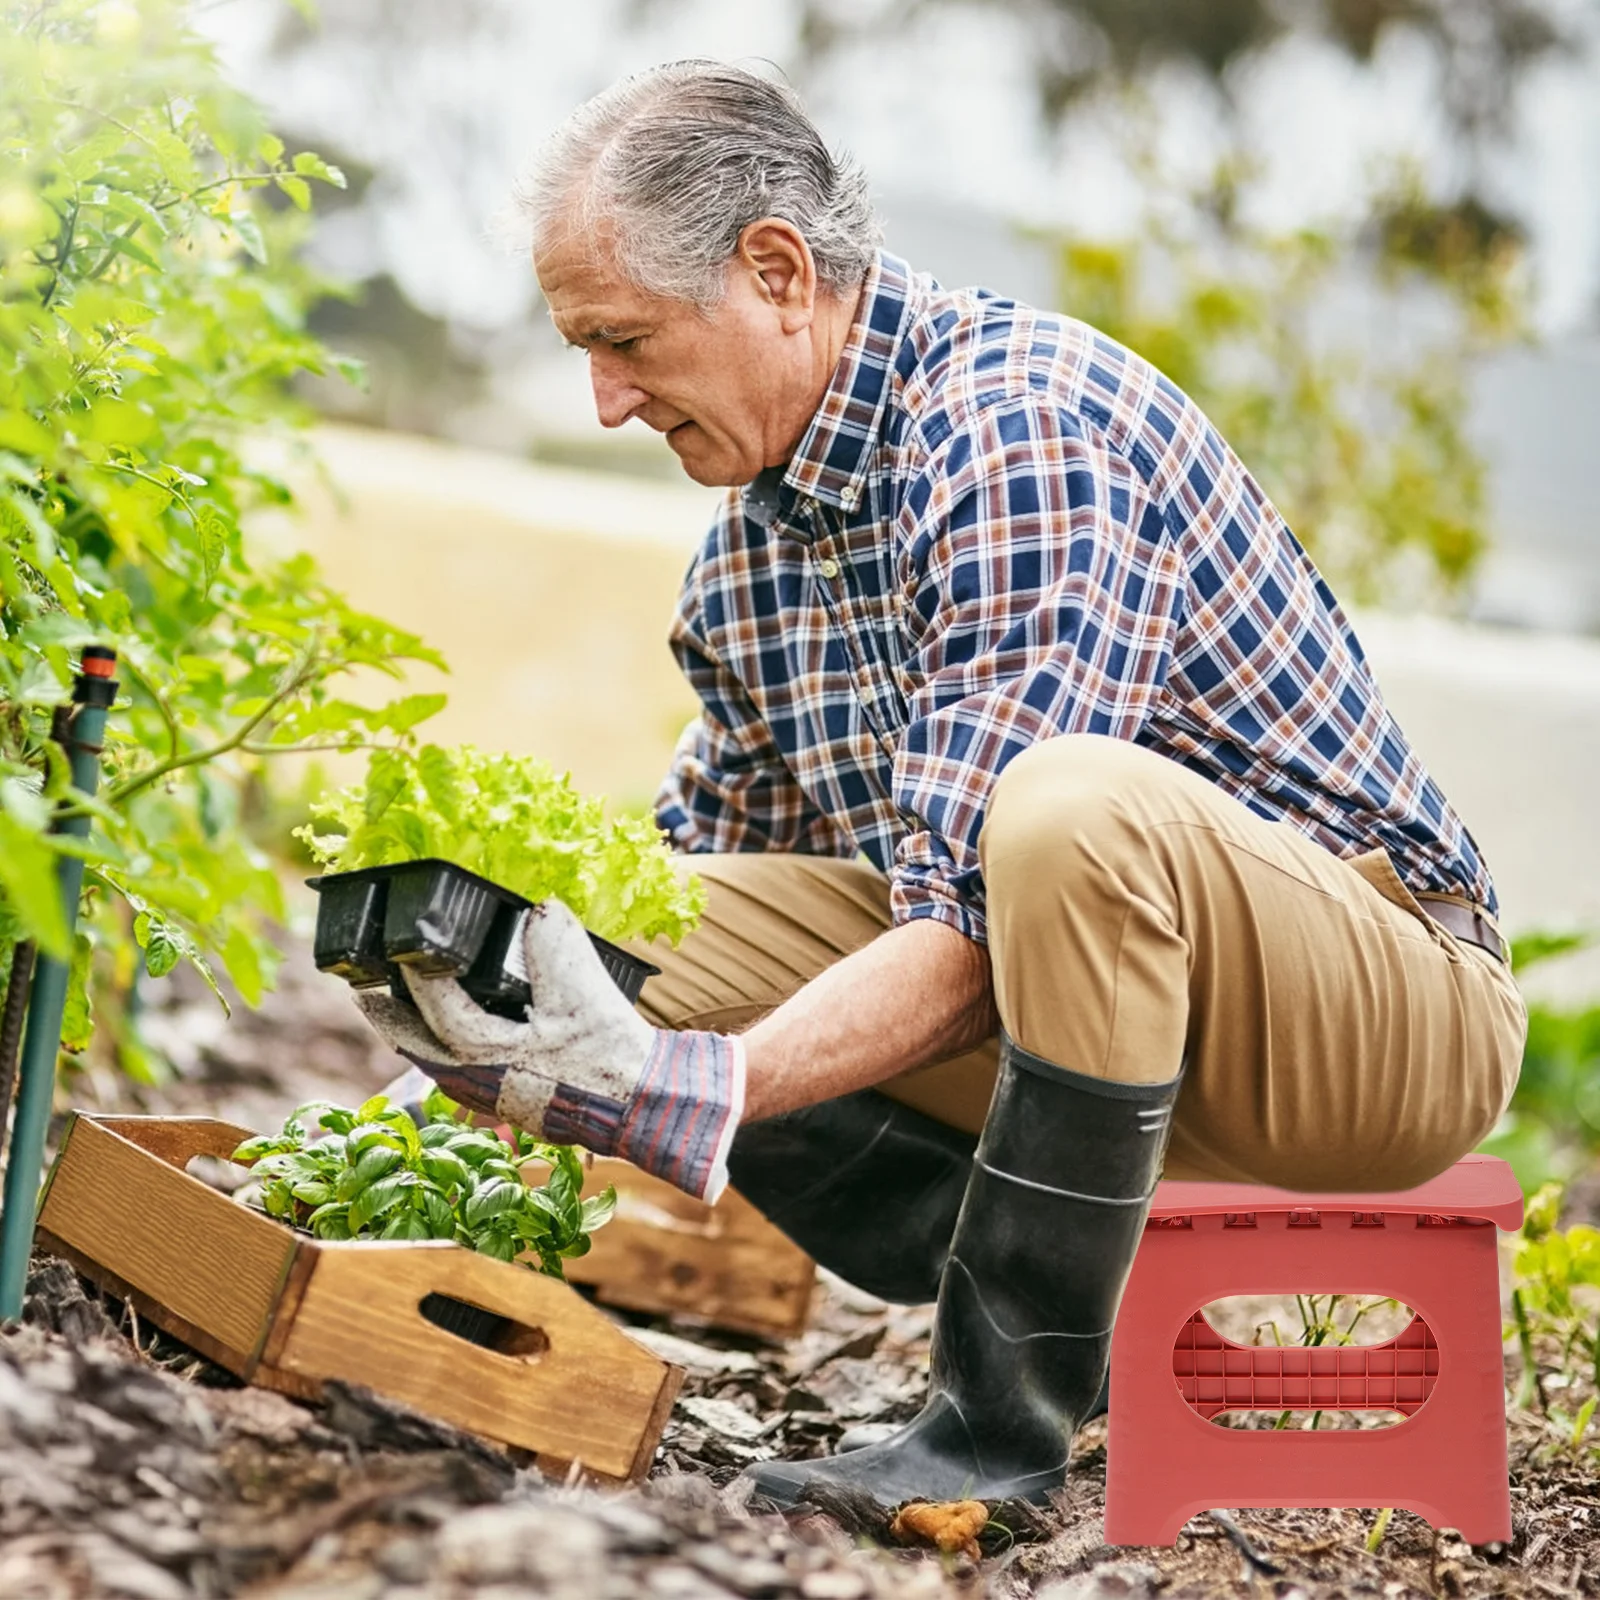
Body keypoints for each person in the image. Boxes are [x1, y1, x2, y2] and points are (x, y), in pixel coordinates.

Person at [358, 60, 1526, 1508]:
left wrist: (700, 1089)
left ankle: (997, 1430)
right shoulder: (751, 558)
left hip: (1371, 1028)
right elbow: (685, 913)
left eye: (625, 339)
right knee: (600, 919)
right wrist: (433, 1074)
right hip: (1088, 1037)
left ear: (777, 273)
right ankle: (1083, 1322)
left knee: (1068, 812)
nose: (604, 401)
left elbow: (982, 919)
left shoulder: (1014, 431)